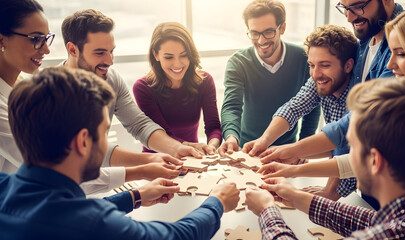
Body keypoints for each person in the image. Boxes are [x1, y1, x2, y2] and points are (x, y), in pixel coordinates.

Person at [0, 66, 240, 239]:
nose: (106, 145)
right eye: (104, 133)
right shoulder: (94, 225)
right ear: (83, 141)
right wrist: (216, 202)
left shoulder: (4, 187)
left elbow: (64, 213)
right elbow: (175, 235)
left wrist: (135, 196)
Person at [258, 1, 405, 183]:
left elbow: (355, 126)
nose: (349, 16)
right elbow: (366, 158)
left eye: (358, 5)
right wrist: (283, 152)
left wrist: (296, 153)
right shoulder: (364, 41)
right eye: (344, 8)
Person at [246, 76, 405, 239]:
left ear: (375, 161)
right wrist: (298, 197)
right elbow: (373, 221)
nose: (345, 156)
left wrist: (267, 212)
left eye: (351, 146)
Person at [61, 9, 205, 193]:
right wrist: (148, 161)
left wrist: (176, 148)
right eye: (100, 53)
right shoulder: (51, 92)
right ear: (72, 49)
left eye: (111, 51)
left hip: (103, 184)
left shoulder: (111, 78)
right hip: (66, 190)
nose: (110, 61)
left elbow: (138, 124)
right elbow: (87, 148)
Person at [218, 0, 320, 156]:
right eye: (254, 33)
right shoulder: (238, 62)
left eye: (268, 32)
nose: (261, 40)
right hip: (247, 149)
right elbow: (231, 106)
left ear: (282, 28)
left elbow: (312, 106)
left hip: (287, 150)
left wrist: (302, 147)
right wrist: (231, 137)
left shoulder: (304, 58)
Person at [242, 24, 357, 158]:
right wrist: (264, 140)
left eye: (325, 65)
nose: (315, 74)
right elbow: (293, 108)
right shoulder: (321, 81)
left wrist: (293, 151)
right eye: (311, 65)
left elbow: (345, 147)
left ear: (348, 65)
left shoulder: (360, 96)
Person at [133, 22, 221, 155]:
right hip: (156, 160)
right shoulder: (143, 88)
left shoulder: (204, 81)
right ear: (156, 54)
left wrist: (211, 146)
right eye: (168, 57)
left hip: (194, 159)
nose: (177, 64)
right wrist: (188, 147)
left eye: (184, 55)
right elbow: (163, 135)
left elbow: (213, 126)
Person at [0, 0, 52, 173]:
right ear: (2, 40)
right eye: (36, 39)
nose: (46, 50)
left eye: (46, 39)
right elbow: (45, 166)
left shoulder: (25, 87)